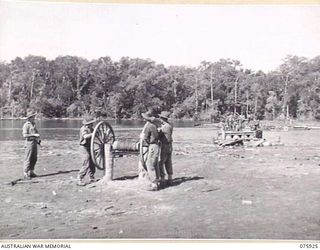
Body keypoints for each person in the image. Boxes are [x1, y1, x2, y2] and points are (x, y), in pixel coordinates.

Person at [139, 110, 160, 191]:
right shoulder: (154, 125)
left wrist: (143, 137)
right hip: (156, 146)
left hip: (152, 146)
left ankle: (154, 185)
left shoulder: (148, 126)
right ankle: (157, 181)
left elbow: (147, 139)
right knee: (155, 164)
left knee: (150, 164)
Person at [77, 115, 96, 186]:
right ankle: (80, 178)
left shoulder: (92, 129)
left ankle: (91, 178)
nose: (92, 124)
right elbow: (85, 136)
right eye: (91, 123)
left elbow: (96, 134)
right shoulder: (83, 129)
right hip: (83, 147)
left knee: (92, 162)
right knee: (86, 162)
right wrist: (93, 134)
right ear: (88, 124)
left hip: (89, 147)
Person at [22, 111, 40, 179]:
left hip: (34, 142)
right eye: (33, 117)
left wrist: (38, 138)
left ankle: (31, 172)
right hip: (29, 143)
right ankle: (25, 173)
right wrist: (34, 135)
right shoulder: (26, 125)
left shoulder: (33, 124)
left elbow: (36, 132)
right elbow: (24, 135)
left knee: (34, 158)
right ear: (29, 118)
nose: (34, 118)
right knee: (28, 158)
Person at [158, 111, 174, 187]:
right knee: (168, 162)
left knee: (161, 162)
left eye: (160, 118)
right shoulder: (170, 125)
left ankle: (163, 179)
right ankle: (170, 178)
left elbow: (158, 135)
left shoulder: (164, 127)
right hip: (170, 146)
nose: (159, 119)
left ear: (162, 119)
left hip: (164, 146)